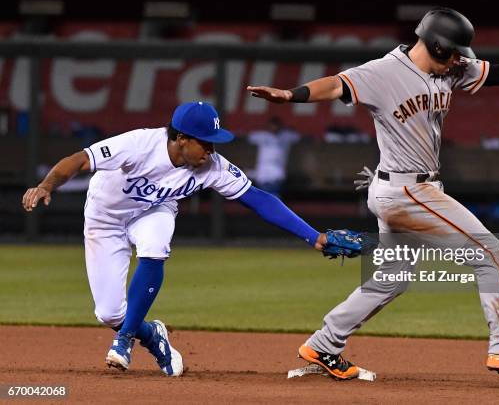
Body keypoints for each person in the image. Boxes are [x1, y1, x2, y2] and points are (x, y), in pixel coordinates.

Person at [247, 7, 499, 380]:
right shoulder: (383, 72)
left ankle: (324, 345)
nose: (461, 60)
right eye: (456, 52)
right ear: (438, 46)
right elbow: (334, 85)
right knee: (490, 253)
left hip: (406, 188)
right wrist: (290, 95)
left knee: (393, 277)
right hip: (406, 191)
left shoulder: (451, 69)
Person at [22, 101, 362, 377]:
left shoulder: (211, 165)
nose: (210, 150)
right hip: (104, 220)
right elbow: (80, 159)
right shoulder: (139, 144)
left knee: (154, 245)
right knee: (109, 313)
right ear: (181, 138)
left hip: (153, 212)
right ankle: (151, 335)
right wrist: (46, 186)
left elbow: (259, 199)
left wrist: (312, 236)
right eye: (204, 141)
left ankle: (124, 340)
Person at [248, 116, 300, 196]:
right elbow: (250, 137)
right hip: (263, 174)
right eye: (272, 125)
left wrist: (288, 129)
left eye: (276, 125)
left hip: (277, 174)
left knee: (274, 199)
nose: (274, 128)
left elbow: (297, 137)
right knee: (264, 199)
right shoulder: (263, 135)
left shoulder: (286, 136)